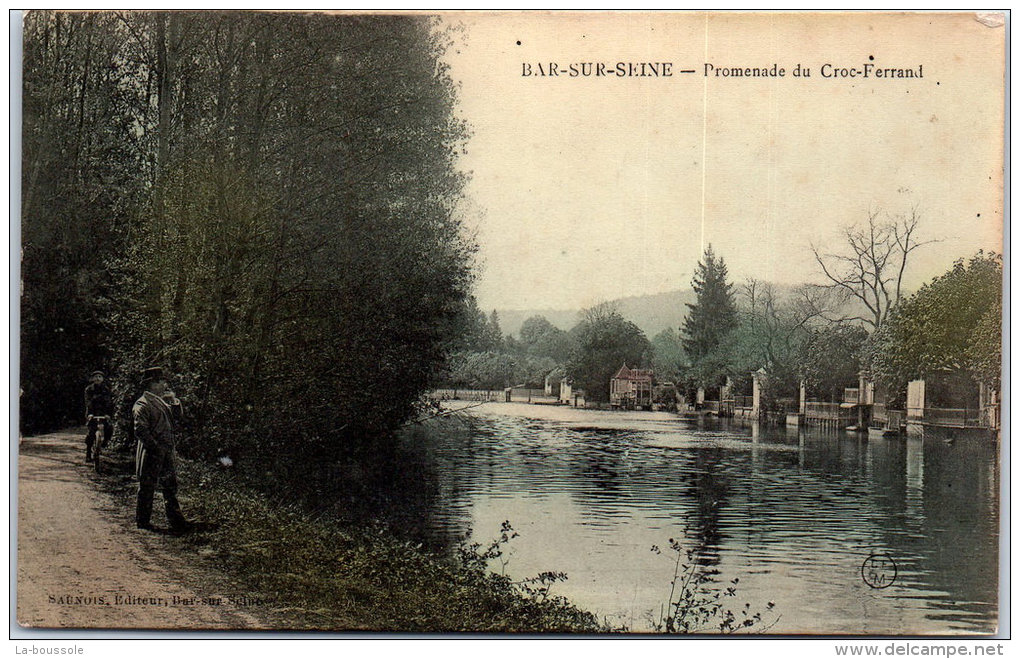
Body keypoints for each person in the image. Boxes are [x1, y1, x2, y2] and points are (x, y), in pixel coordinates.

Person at [133, 367, 190, 533]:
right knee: (147, 485)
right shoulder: (142, 403)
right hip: (152, 451)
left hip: (166, 450)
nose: (165, 384)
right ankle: (143, 522)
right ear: (152, 384)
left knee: (170, 485)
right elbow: (140, 430)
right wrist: (155, 447)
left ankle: (176, 521)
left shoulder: (161, 401)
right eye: (161, 381)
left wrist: (174, 401)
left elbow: (177, 418)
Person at [83, 370, 113, 463]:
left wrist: (108, 414)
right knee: (91, 433)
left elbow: (108, 402)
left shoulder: (106, 389)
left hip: (103, 413)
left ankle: (104, 443)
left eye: (100, 377)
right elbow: (88, 402)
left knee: (109, 428)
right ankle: (88, 453)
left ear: (103, 379)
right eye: (95, 377)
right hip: (92, 413)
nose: (98, 378)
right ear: (92, 379)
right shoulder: (89, 389)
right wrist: (90, 414)